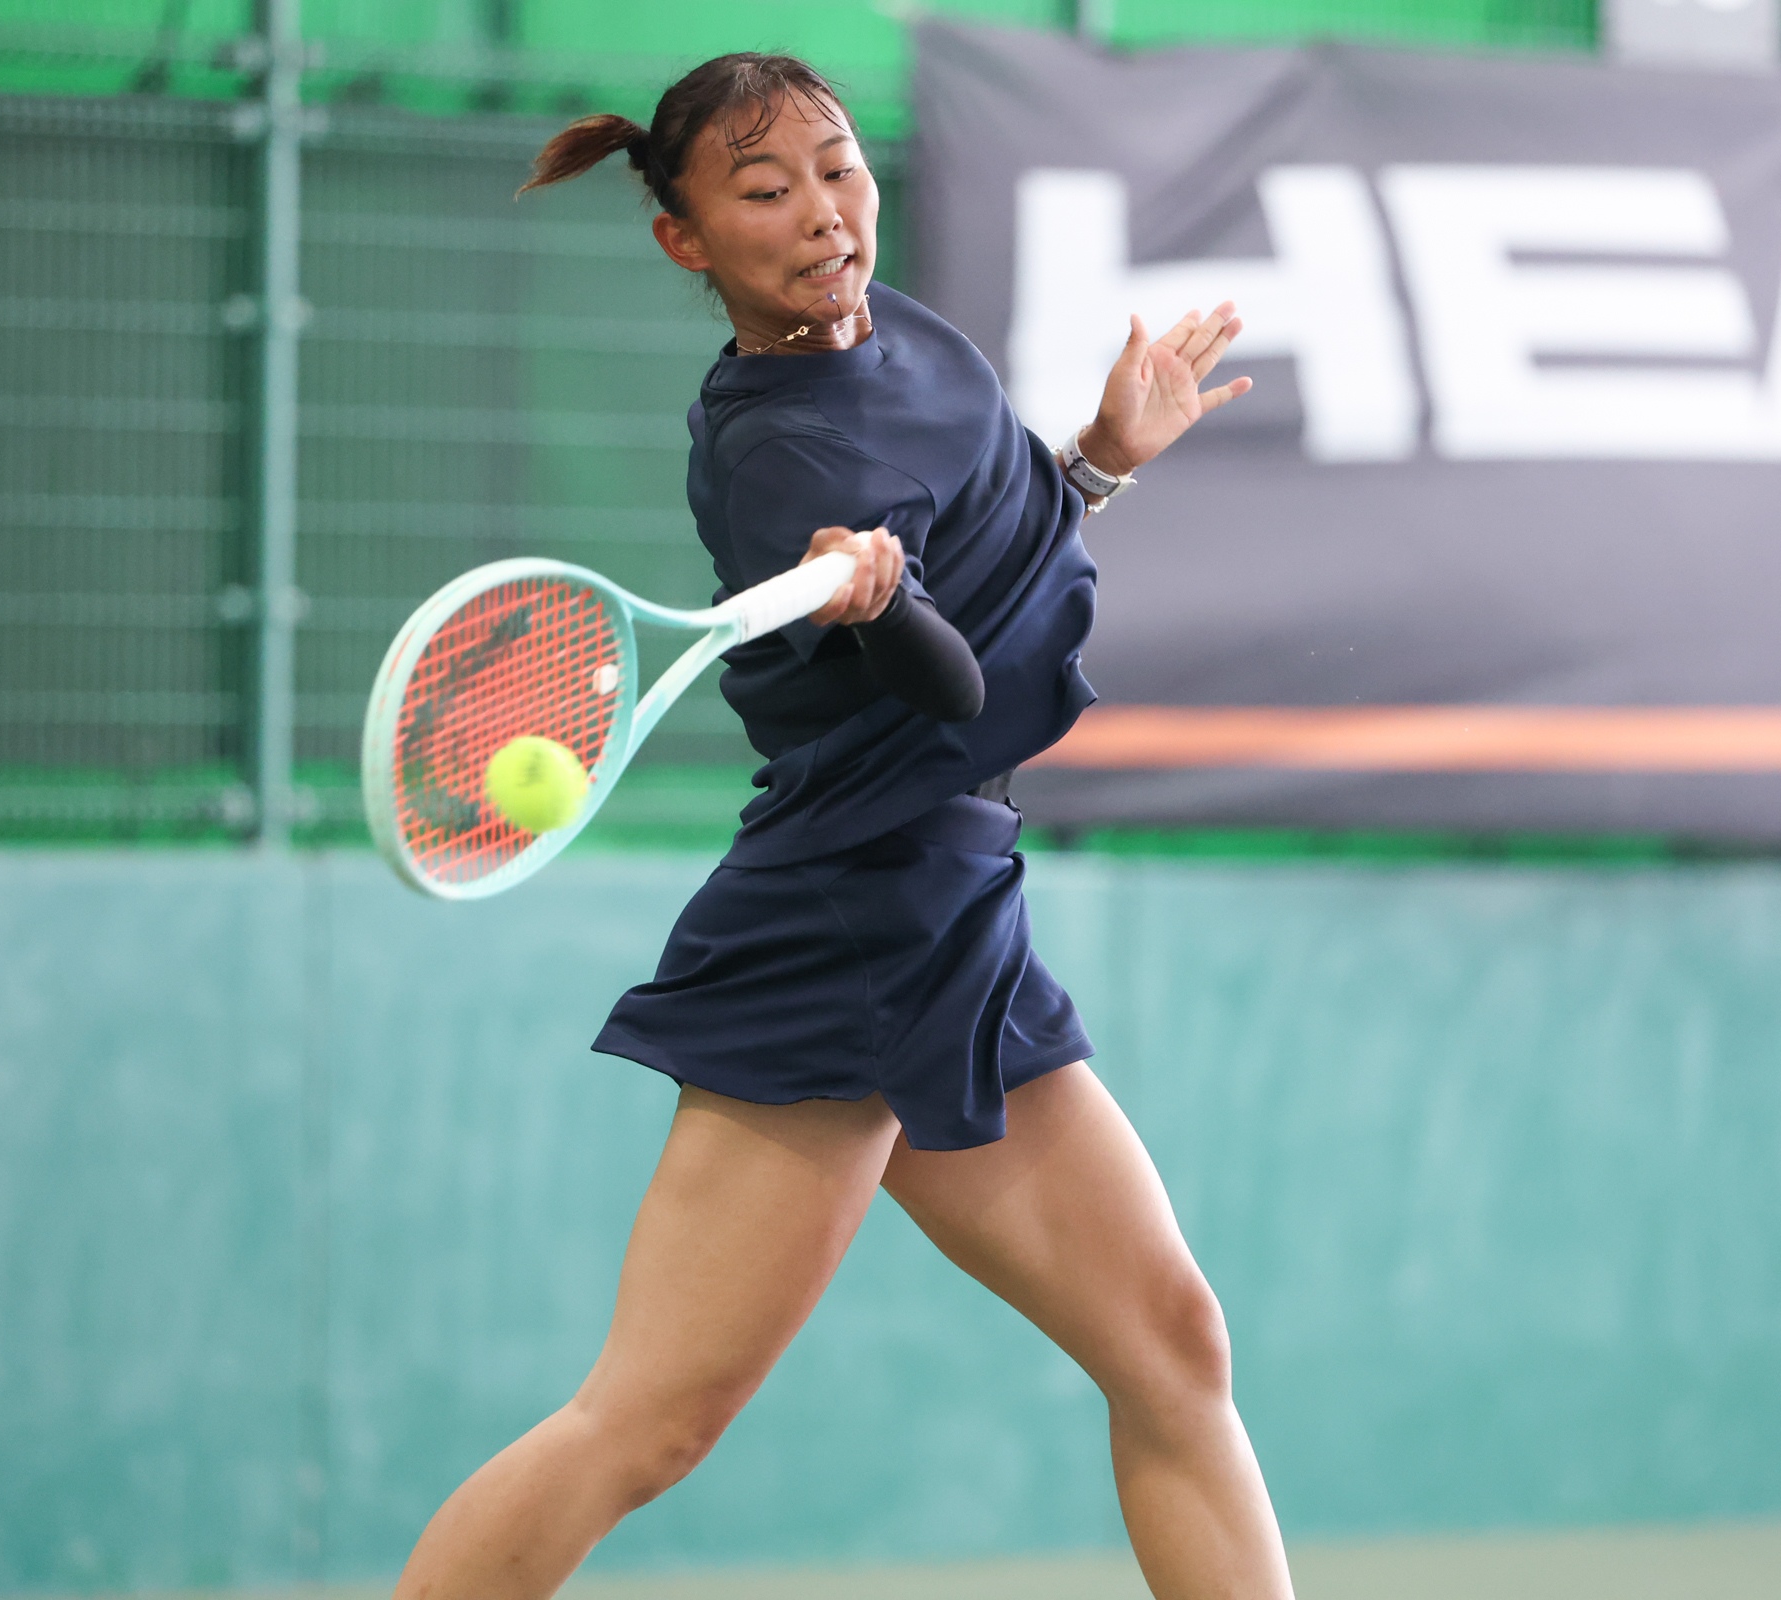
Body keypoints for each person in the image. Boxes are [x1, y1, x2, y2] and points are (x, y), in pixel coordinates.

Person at [391, 52, 1290, 1600]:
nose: (822, 213)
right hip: (852, 926)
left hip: (953, 897)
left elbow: (1003, 541)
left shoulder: (905, 337)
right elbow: (946, 686)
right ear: (685, 239)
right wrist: (881, 609)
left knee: (1172, 1347)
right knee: (648, 1423)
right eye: (765, 191)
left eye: (837, 168)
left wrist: (1098, 459)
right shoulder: (779, 458)